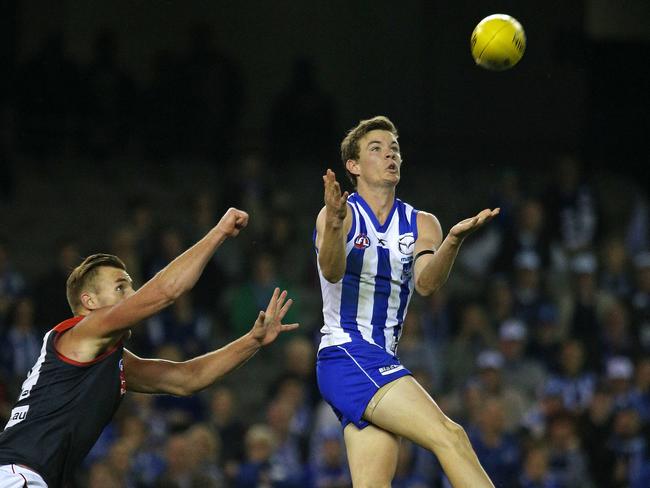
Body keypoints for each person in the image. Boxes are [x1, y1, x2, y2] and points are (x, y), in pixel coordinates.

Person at [0, 207, 298, 488]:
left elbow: (187, 379)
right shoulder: (82, 330)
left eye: (130, 285)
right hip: (19, 476)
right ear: (89, 302)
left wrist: (252, 340)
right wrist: (218, 232)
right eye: (120, 287)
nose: (132, 293)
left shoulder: (110, 360)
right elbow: (166, 292)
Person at [314, 116, 498, 487]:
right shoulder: (340, 214)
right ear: (354, 166)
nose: (389, 154)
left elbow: (427, 283)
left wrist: (454, 240)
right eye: (376, 149)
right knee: (450, 435)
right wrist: (334, 225)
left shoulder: (422, 222)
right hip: (347, 354)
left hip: (380, 359)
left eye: (394, 148)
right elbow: (332, 271)